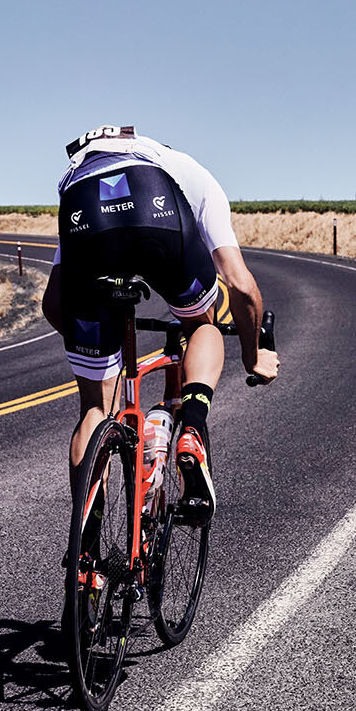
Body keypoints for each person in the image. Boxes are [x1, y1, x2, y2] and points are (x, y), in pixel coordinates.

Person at [42, 125, 278, 523]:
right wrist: (253, 356)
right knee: (202, 324)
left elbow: (53, 303)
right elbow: (241, 284)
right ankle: (193, 428)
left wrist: (102, 349)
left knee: (95, 408)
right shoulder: (192, 176)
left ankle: (86, 549)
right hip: (155, 201)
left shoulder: (78, 173)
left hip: (85, 209)